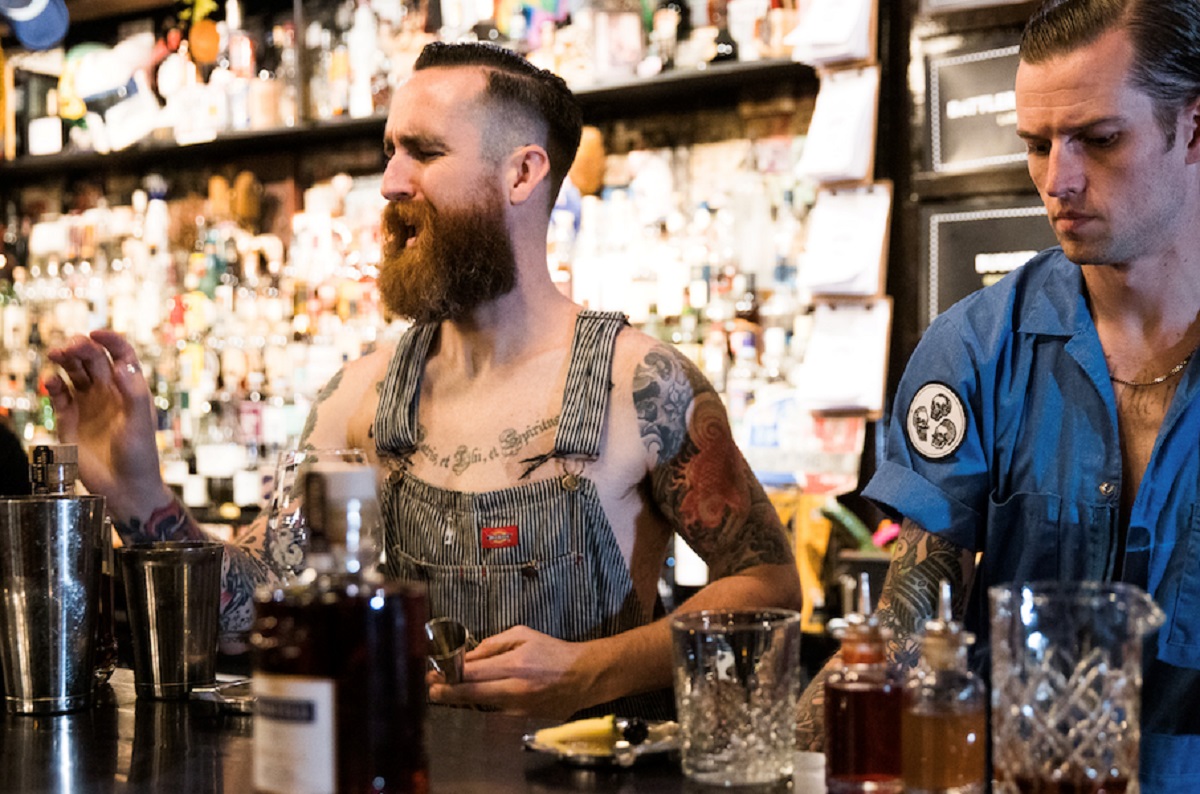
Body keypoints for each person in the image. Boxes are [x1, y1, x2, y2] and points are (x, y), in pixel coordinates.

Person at [45, 41, 801, 721]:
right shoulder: (360, 399)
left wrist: (593, 670)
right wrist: (139, 497)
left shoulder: (638, 384)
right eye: (389, 152)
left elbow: (769, 585)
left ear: (522, 173)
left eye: (424, 152)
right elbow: (260, 606)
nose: (389, 182)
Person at [794, 0, 1200, 787]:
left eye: (1099, 139)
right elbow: (912, 621)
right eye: (1036, 145)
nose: (1058, 181)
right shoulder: (977, 347)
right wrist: (785, 759)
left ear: (1192, 127)